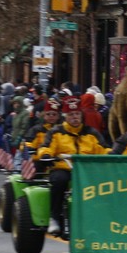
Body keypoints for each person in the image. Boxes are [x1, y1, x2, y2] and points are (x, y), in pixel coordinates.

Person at [36, 95, 109, 235]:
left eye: (77, 114)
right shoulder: (55, 132)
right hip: (63, 168)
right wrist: (46, 155)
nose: (75, 117)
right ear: (65, 116)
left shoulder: (91, 133)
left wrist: (110, 155)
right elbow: (45, 147)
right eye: (71, 114)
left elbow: (104, 149)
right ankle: (54, 217)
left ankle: (102, 218)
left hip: (87, 171)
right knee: (59, 180)